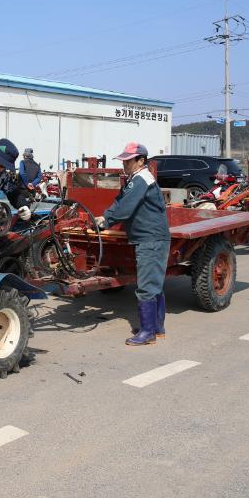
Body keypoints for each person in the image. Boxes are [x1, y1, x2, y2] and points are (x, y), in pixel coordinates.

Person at [96, 142, 170, 346]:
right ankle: (157, 328)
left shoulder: (141, 180)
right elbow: (120, 201)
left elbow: (124, 208)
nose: (124, 165)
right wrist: (105, 217)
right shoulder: (135, 179)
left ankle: (148, 333)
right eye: (124, 161)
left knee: (146, 286)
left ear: (141, 161)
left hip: (151, 239)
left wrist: (105, 220)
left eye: (128, 161)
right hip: (150, 237)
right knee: (154, 283)